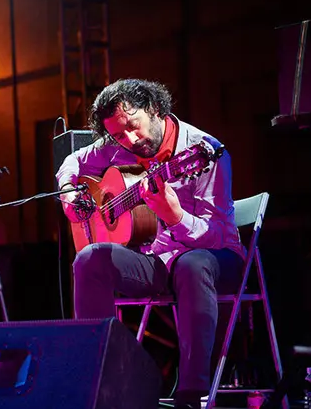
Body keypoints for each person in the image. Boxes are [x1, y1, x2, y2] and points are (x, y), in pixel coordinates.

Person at [56, 79, 246, 409]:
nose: (129, 140)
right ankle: (103, 384)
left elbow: (215, 236)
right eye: (117, 135)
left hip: (217, 259)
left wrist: (175, 217)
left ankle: (192, 394)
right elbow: (72, 161)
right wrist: (69, 191)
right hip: (159, 259)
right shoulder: (120, 145)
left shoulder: (205, 150)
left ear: (155, 110)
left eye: (133, 126)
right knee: (90, 259)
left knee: (193, 263)